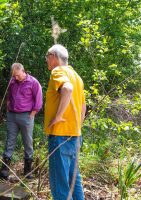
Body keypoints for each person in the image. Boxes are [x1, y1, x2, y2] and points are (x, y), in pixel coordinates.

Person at [44, 44, 86, 199]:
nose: (47, 61)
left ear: (53, 56)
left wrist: (58, 116)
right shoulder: (77, 77)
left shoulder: (58, 71)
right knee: (74, 181)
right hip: (75, 136)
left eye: (47, 57)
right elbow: (83, 107)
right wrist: (77, 127)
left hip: (60, 135)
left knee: (60, 185)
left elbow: (66, 89)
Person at [0, 63, 42, 180]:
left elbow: (38, 100)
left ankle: (28, 170)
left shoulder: (33, 82)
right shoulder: (12, 81)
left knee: (27, 142)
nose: (16, 78)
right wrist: (8, 107)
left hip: (26, 116)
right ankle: (4, 169)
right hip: (12, 116)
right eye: (14, 76)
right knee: (10, 140)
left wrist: (33, 113)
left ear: (23, 71)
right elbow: (9, 96)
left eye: (17, 75)